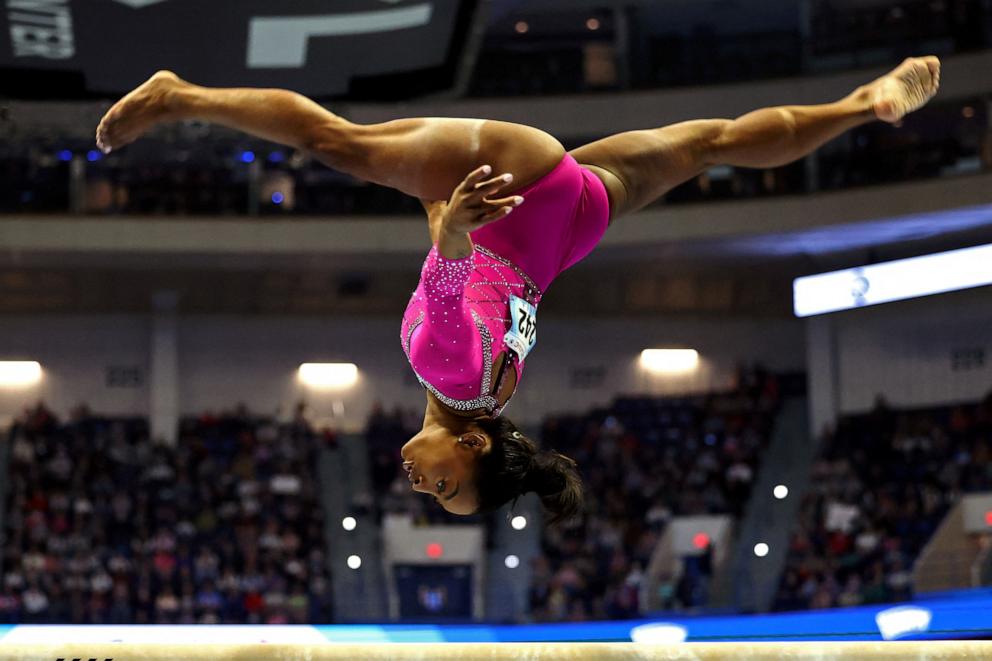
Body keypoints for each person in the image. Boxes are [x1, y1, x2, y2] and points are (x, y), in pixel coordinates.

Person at [95, 57, 941, 523]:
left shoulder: (495, 398)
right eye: (444, 488)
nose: (418, 486)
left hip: (567, 227)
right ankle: (181, 95)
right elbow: (455, 271)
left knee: (711, 142)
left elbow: (476, 290)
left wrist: (443, 215)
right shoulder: (452, 380)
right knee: (341, 144)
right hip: (513, 192)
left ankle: (861, 103)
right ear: (471, 450)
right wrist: (454, 215)